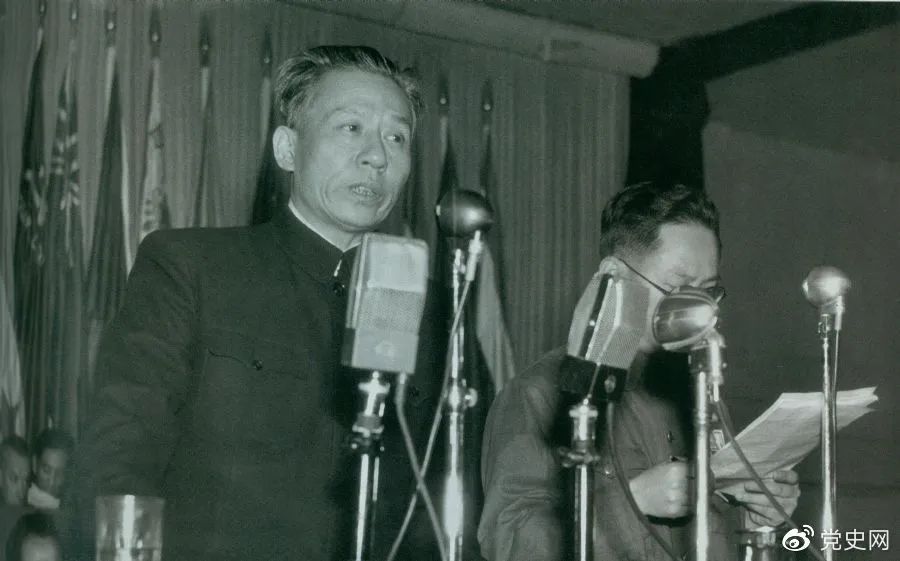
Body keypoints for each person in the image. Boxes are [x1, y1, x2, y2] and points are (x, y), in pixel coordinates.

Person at [70, 45, 441, 561]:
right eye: (351, 127)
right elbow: (118, 460)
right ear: (287, 149)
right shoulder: (193, 269)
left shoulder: (433, 313)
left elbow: (446, 502)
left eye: (396, 137)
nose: (376, 156)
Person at [478, 181, 800, 561]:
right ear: (615, 274)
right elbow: (508, 539)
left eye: (708, 291)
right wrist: (634, 501)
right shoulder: (539, 393)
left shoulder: (698, 391)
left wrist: (756, 518)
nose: (697, 308)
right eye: (678, 287)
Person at [27, 430, 73, 511]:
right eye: (46, 471)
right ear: (34, 464)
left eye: (59, 473)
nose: (51, 482)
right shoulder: (18, 505)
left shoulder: (69, 510)